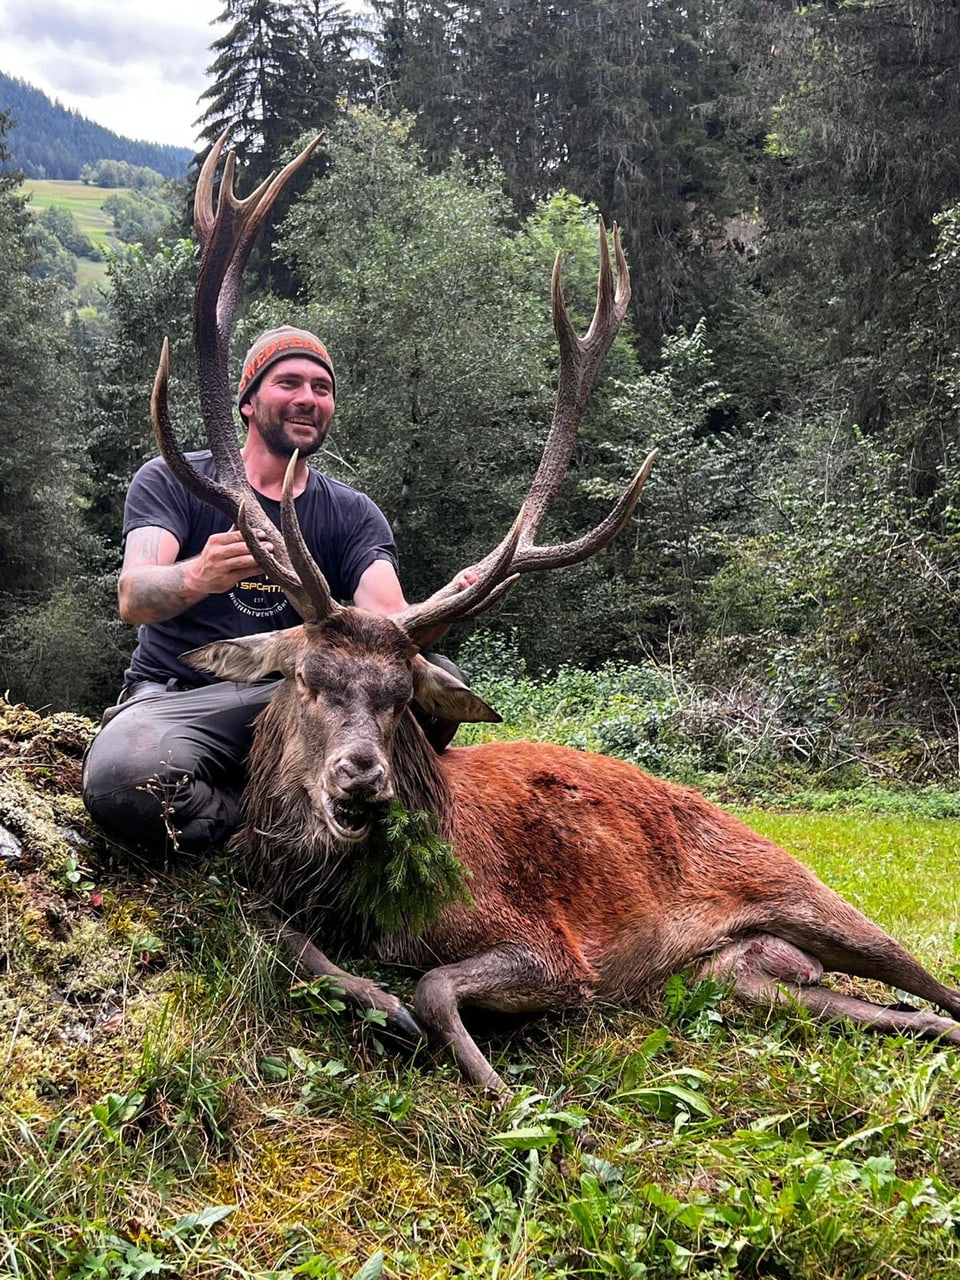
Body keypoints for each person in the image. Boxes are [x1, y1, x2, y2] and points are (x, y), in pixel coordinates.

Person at [82, 326, 465, 860]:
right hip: (185, 699)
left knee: (441, 685)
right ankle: (263, 825)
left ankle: (314, 805)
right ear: (247, 400)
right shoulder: (174, 480)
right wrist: (200, 575)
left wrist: (440, 609)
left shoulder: (352, 514)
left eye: (322, 388)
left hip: (305, 696)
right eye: (289, 382)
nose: (308, 399)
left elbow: (388, 621)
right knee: (124, 779)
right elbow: (135, 595)